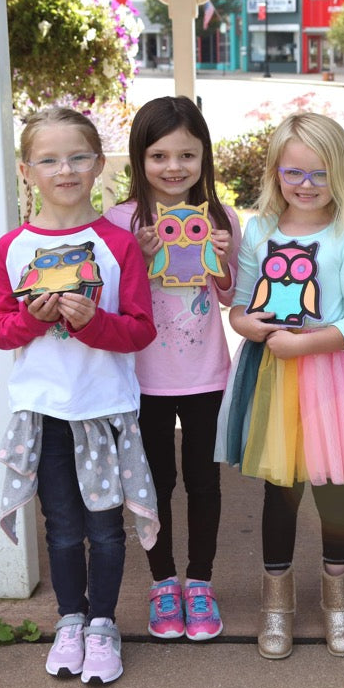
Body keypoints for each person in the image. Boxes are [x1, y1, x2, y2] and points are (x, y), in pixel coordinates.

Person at [0, 107, 158, 685]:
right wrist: (33, 320)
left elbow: (139, 330)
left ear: (98, 164)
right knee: (61, 526)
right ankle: (70, 620)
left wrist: (92, 323)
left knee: (105, 529)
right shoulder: (13, 247)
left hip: (103, 410)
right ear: (26, 170)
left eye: (78, 157)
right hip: (43, 412)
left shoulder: (116, 244)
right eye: (49, 160)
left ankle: (103, 624)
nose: (65, 170)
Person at [215, 112, 344, 660]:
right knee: (280, 492)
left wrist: (304, 344)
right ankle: (277, 604)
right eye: (294, 172)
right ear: (276, 172)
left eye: (320, 173)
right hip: (274, 374)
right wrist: (248, 326)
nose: (307, 185)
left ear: (341, 173)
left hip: (331, 375)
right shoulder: (260, 231)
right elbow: (241, 304)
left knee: (333, 490)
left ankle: (339, 600)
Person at [104, 96, 239, 642]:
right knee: (153, 483)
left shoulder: (221, 219)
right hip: (142, 379)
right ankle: (163, 583)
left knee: (204, 483)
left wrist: (223, 259)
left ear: (205, 157)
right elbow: (108, 302)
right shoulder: (118, 222)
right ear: (139, 158)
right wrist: (134, 256)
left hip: (206, 374)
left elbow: (231, 297)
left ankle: (200, 582)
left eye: (187, 155)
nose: (173, 167)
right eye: (159, 156)